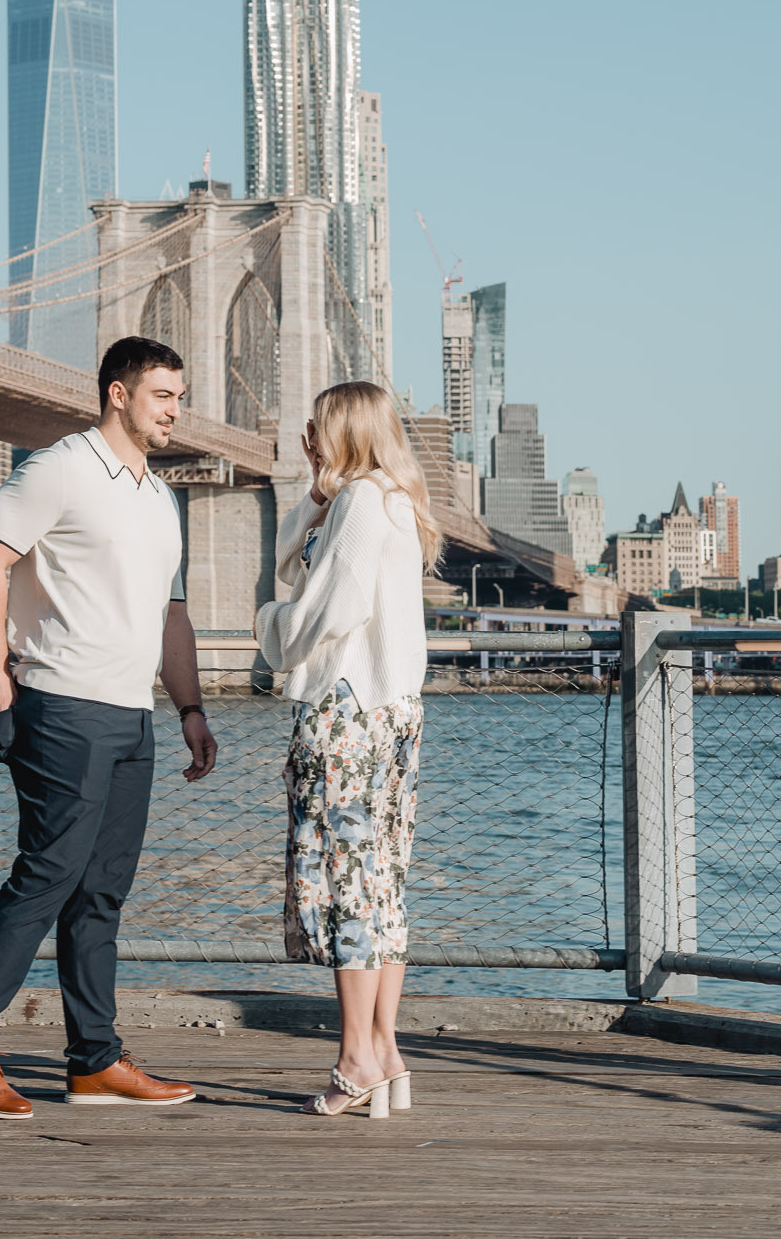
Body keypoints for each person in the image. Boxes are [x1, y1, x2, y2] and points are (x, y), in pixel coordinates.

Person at [0, 336, 219, 1120]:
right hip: (59, 702)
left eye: (179, 397)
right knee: (48, 871)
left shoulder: (161, 498)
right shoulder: (59, 467)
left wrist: (188, 708)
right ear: (118, 393)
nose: (174, 411)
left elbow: (172, 613)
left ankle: (93, 1061)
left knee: (101, 892)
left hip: (132, 713)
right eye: (162, 395)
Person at [255, 380, 441, 1118]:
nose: (311, 437)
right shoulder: (389, 497)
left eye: (318, 427)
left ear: (347, 430)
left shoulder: (362, 502)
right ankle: (388, 1050)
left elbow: (317, 599)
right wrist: (313, 490)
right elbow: (301, 555)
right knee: (383, 881)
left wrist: (272, 624)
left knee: (347, 886)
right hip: (396, 716)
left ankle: (356, 1057)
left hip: (348, 713)